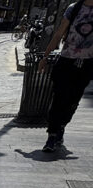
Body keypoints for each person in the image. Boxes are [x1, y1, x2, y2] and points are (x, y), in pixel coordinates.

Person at [39, 0, 93, 152]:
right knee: (59, 98)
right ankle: (52, 135)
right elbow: (58, 34)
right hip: (66, 61)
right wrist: (45, 57)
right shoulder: (73, 8)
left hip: (87, 65)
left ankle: (62, 125)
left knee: (73, 101)